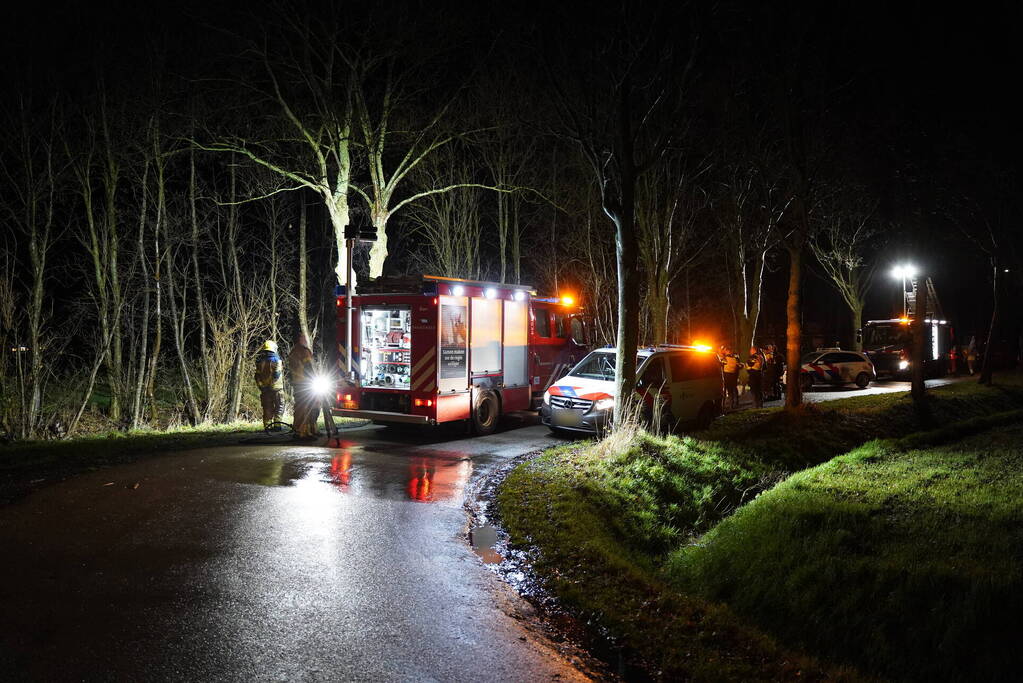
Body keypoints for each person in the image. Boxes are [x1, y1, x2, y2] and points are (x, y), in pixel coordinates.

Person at [288, 334, 318, 439]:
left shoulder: (293, 352)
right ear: (300, 339)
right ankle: (303, 432)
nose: (306, 339)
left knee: (301, 406)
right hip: (306, 383)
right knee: (307, 407)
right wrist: (314, 379)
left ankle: (308, 430)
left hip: (297, 383)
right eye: (304, 338)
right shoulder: (304, 351)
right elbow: (309, 367)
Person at [254, 340, 284, 430]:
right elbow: (276, 374)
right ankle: (277, 426)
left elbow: (257, 376)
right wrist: (271, 384)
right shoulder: (277, 361)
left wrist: (261, 386)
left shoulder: (260, 362)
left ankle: (267, 426)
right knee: (279, 406)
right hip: (276, 389)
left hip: (265, 389)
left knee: (267, 407)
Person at [719, 345, 740, 410]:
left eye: (725, 350)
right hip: (733, 376)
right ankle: (734, 403)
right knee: (733, 390)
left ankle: (728, 405)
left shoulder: (725, 359)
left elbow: (720, 363)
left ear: (728, 351)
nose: (724, 352)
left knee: (729, 391)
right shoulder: (735, 358)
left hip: (727, 376)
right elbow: (737, 367)